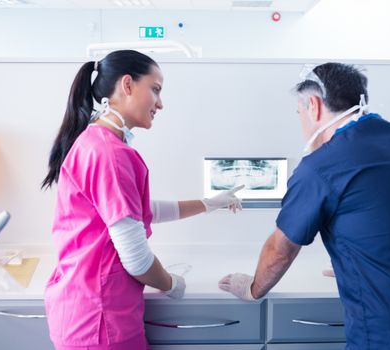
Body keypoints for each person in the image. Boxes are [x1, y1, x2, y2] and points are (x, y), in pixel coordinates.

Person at [219, 62, 390, 350]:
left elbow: (280, 251)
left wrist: (252, 289)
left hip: (389, 335)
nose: (301, 121)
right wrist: (356, 261)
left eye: (299, 112)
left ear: (313, 106)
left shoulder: (321, 166)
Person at [42, 50, 242, 350]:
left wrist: (208, 203)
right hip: (99, 322)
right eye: (156, 89)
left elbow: (140, 210)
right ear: (127, 85)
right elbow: (136, 258)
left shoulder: (96, 142)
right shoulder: (109, 154)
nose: (160, 104)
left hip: (84, 312)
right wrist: (172, 284)